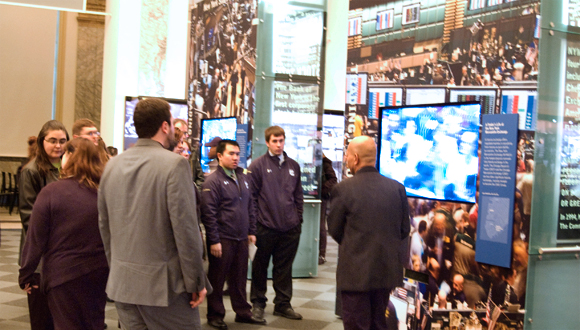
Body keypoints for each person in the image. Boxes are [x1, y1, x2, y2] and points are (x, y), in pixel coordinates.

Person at [98, 98, 210, 330]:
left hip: (123, 284)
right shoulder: (175, 165)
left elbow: (104, 226)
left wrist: (117, 269)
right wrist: (196, 281)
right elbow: (186, 231)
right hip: (165, 290)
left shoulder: (112, 165)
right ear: (165, 126)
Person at [19, 138, 108, 329]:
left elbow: (35, 238)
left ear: (69, 157)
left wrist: (26, 274)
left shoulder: (52, 192)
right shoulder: (104, 194)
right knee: (94, 324)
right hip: (99, 272)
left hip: (63, 275)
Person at [327, 136, 410, 330]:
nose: (345, 159)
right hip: (385, 274)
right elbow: (404, 230)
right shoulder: (397, 188)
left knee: (356, 325)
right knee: (379, 324)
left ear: (355, 158)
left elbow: (334, 229)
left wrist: (355, 244)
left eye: (347, 155)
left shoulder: (343, 189)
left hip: (356, 275)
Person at [201, 140, 265, 329]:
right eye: (231, 154)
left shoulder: (243, 178)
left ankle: (243, 312)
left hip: (241, 237)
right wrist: (213, 240)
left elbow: (251, 205)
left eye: (237, 154)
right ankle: (215, 314)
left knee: (239, 278)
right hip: (222, 238)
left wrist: (252, 231)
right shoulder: (212, 181)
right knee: (217, 279)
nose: (236, 157)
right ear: (220, 156)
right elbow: (208, 214)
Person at [249, 126, 304, 321]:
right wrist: (253, 225)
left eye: (281, 141)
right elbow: (251, 198)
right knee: (260, 267)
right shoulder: (257, 166)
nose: (279, 145)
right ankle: (257, 304)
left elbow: (298, 196)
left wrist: (298, 220)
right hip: (264, 227)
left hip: (290, 228)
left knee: (284, 269)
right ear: (267, 142)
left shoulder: (293, 166)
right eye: (275, 141)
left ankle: (282, 304)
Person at [19, 119, 69, 330]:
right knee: (42, 317)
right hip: (40, 253)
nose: (58, 145)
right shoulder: (31, 170)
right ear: (42, 141)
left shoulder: (69, 167)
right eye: (53, 141)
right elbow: (29, 217)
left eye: (63, 141)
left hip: (62, 252)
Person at [319, 154, 338, 265]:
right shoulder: (316, 163)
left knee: (321, 226)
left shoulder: (325, 164)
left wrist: (322, 189)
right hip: (318, 196)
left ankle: (322, 254)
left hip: (321, 197)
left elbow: (333, 179)